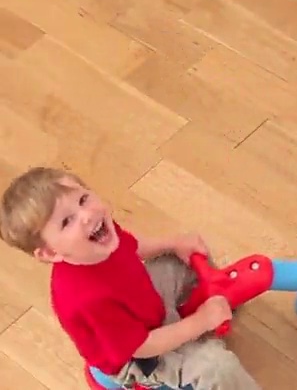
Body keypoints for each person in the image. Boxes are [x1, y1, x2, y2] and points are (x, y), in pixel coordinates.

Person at [0, 167, 261, 389]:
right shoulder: (86, 300)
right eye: (67, 221)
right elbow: (142, 347)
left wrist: (175, 243)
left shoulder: (100, 235)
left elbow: (134, 247)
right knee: (218, 367)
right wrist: (201, 321)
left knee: (182, 258)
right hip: (139, 356)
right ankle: (209, 320)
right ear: (50, 252)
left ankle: (220, 303)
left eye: (83, 200)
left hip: (145, 307)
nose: (87, 215)